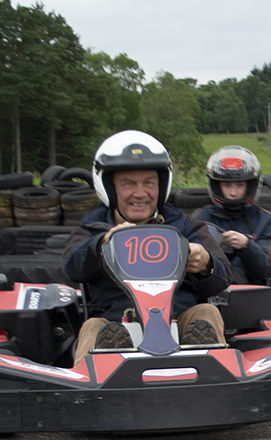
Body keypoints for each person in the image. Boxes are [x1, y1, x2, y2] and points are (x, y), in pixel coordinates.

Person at [63, 130, 232, 365]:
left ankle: (210, 373)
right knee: (92, 327)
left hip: (179, 320)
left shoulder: (186, 226)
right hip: (115, 324)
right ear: (110, 188)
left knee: (207, 313)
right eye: (128, 183)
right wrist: (101, 245)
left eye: (148, 183)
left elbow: (223, 278)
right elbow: (72, 266)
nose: (140, 193)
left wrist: (205, 264)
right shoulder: (93, 228)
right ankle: (93, 386)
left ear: (161, 186)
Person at [192, 146, 271, 285]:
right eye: (227, 185)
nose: (233, 193)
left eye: (240, 185)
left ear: (250, 186)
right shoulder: (200, 218)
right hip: (207, 292)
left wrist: (247, 246)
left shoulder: (268, 222)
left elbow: (269, 270)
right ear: (217, 185)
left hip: (251, 295)